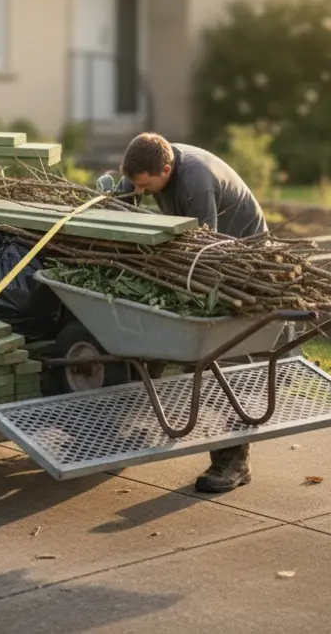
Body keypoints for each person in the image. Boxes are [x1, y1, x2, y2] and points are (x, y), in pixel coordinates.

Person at [114, 132, 268, 493]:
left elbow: (204, 254)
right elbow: (118, 206)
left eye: (145, 186)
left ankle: (234, 461)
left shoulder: (197, 184)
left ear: (166, 169)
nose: (140, 190)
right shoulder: (144, 167)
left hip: (241, 263)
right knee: (148, 338)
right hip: (204, 256)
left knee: (212, 356)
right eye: (135, 184)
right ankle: (137, 423)